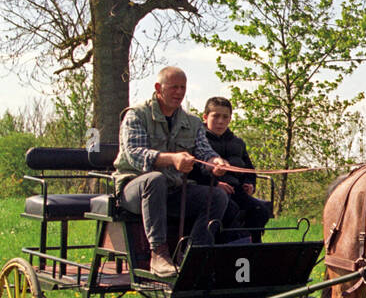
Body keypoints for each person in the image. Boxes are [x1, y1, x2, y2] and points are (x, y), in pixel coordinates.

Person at [114, 67, 230, 277]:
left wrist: (216, 162)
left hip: (173, 190)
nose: (179, 92)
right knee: (154, 180)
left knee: (218, 196)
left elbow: (204, 152)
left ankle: (193, 255)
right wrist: (172, 159)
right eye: (174, 87)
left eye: (183, 88)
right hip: (134, 190)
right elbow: (135, 155)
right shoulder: (136, 115)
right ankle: (158, 254)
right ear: (159, 88)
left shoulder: (192, 122)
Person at [198, 96, 273, 244]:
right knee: (230, 209)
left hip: (236, 190)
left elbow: (249, 170)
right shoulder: (200, 142)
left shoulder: (238, 143)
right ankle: (227, 249)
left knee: (261, 210)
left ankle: (255, 248)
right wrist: (214, 185)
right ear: (205, 117)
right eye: (216, 116)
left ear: (230, 119)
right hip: (211, 191)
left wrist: (250, 185)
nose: (220, 121)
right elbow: (195, 170)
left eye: (225, 117)